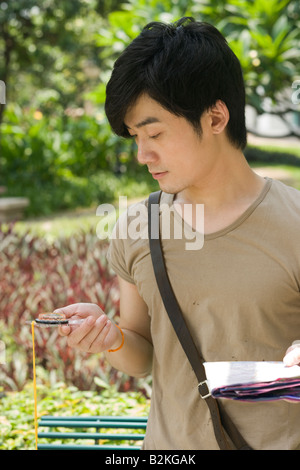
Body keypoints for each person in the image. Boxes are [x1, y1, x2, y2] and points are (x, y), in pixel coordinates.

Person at [57, 17, 300, 450]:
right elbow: (144, 352)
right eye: (134, 137)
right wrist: (110, 338)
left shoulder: (294, 223)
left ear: (215, 117)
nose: (141, 154)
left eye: (154, 133)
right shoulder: (136, 227)